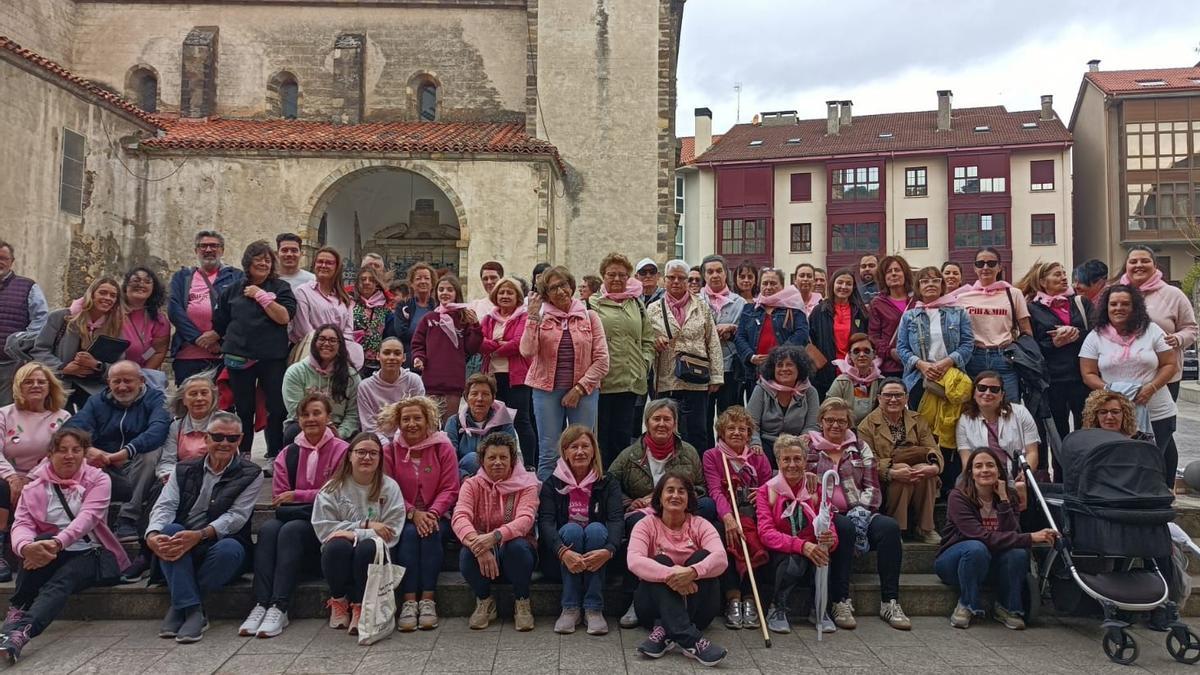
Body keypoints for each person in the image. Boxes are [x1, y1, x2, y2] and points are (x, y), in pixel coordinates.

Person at [0, 427, 129, 662]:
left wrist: (57, 543)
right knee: (34, 545)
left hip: (92, 553)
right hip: (51, 551)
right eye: (62, 450)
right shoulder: (34, 487)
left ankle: (21, 632)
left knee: (61, 579)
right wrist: (25, 547)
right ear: (49, 454)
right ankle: (17, 609)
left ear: (84, 453)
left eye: (76, 450)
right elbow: (21, 524)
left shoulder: (99, 479)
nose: (69, 455)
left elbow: (87, 518)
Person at [144, 412, 263, 643]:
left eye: (232, 438)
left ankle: (181, 606)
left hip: (219, 541)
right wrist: (152, 534)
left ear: (240, 440)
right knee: (169, 531)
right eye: (218, 437)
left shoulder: (252, 473)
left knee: (230, 548)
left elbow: (236, 517)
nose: (224, 444)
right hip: (183, 540)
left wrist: (200, 535)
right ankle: (193, 610)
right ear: (206, 439)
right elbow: (165, 505)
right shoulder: (183, 469)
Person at [240, 393, 349, 639]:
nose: (311, 419)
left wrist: (297, 493)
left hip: (325, 522)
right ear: (298, 419)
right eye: (305, 414)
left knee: (290, 530)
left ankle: (280, 605)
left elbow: (336, 492)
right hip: (293, 515)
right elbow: (280, 496)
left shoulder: (342, 450)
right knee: (268, 530)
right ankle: (261, 603)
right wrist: (306, 495)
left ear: (328, 417)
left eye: (317, 413)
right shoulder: (288, 453)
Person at [608, 399, 714, 628]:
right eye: (656, 419)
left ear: (675, 423)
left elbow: (701, 487)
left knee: (707, 508)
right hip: (644, 515)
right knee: (638, 524)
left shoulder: (689, 452)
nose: (662, 424)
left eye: (667, 419)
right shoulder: (629, 455)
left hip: (679, 512)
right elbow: (609, 485)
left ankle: (692, 584)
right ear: (647, 422)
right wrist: (630, 501)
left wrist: (672, 500)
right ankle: (634, 599)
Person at [807, 397, 910, 630]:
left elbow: (873, 487)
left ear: (849, 424)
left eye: (842, 421)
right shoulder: (808, 447)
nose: (835, 425)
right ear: (821, 421)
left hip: (860, 511)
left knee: (889, 528)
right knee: (844, 527)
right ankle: (840, 600)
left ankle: (890, 601)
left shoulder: (861, 448)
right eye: (830, 420)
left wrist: (861, 512)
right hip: (824, 515)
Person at [936, 448, 1056, 630]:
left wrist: (1003, 499)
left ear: (999, 471)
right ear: (971, 473)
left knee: (1017, 552)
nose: (984, 470)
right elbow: (980, 536)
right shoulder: (958, 497)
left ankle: (1007, 607)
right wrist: (1030, 537)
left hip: (991, 561)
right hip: (955, 561)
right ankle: (966, 604)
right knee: (976, 547)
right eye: (978, 466)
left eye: (990, 465)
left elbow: (1011, 532)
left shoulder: (1009, 496)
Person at [1080, 283, 1179, 486]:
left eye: (1125, 304)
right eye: (1113, 304)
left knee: (1155, 462)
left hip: (1157, 411)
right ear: (1105, 308)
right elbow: (1088, 373)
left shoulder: (1151, 330)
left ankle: (1160, 506)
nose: (1118, 308)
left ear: (1135, 307)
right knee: (1124, 467)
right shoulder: (1095, 336)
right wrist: (1112, 394)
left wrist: (1151, 387)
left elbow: (1170, 364)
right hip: (1113, 415)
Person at [628, 472, 728, 667]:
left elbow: (721, 558)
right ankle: (692, 640)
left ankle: (665, 631)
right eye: (670, 490)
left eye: (681, 491)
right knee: (660, 561)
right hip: (652, 608)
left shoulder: (700, 525)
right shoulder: (645, 524)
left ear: (689, 498)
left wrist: (693, 572)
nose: (675, 496)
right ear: (659, 497)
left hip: (698, 608)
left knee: (703, 557)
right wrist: (672, 574)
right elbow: (634, 561)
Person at [378, 395, 460, 631]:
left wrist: (432, 513)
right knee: (410, 535)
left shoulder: (443, 446)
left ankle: (428, 600)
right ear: (398, 422)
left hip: (438, 515)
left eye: (417, 418)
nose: (411, 424)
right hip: (402, 514)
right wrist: (412, 512)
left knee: (430, 533)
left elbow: (450, 487)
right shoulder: (391, 451)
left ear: (428, 420)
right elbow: (388, 487)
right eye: (406, 419)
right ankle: (409, 601)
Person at [522, 265, 610, 480]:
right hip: (546, 390)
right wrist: (532, 318)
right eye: (553, 288)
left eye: (563, 285)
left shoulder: (590, 317)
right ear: (546, 294)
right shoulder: (540, 318)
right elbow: (527, 351)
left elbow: (602, 361)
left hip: (584, 391)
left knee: (583, 448)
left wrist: (579, 389)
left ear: (571, 285)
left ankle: (584, 499)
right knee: (549, 451)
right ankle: (546, 507)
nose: (560, 291)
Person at [312, 432, 405, 635]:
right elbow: (324, 528)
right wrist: (365, 525)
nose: (367, 458)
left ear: (380, 458)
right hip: (339, 551)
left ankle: (360, 604)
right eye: (361, 452)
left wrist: (354, 534)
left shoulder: (389, 487)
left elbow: (392, 530)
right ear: (349, 455)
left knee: (367, 547)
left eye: (373, 453)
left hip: (376, 552)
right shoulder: (332, 488)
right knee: (336, 546)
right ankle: (339, 599)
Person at [67, 361, 170, 541]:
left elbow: (158, 429)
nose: (122, 387)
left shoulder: (156, 399)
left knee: (151, 454)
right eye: (116, 381)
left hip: (135, 460)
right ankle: (82, 519)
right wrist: (90, 450)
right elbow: (73, 428)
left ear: (141, 381)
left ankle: (127, 517)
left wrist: (125, 452)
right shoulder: (96, 401)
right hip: (103, 462)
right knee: (76, 450)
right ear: (109, 383)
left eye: (128, 381)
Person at [213, 241, 297, 458]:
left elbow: (284, 317)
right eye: (258, 259)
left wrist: (260, 295)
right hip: (239, 357)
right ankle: (244, 453)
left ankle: (274, 454)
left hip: (272, 358)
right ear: (248, 262)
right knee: (243, 408)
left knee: (276, 408)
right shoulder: (232, 290)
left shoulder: (281, 288)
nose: (263, 263)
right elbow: (220, 321)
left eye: (268, 260)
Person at [539, 425, 623, 636]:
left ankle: (594, 608)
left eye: (585, 446)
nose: (580, 452)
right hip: (562, 556)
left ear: (594, 450)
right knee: (571, 530)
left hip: (599, 553)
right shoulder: (552, 483)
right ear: (565, 452)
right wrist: (562, 551)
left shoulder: (607, 482)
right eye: (573, 446)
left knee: (595, 529)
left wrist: (610, 550)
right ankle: (570, 607)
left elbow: (616, 519)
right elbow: (546, 523)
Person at [452, 432, 539, 631]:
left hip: (516, 554)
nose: (497, 462)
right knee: (467, 552)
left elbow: (525, 520)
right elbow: (460, 517)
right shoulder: (471, 484)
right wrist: (479, 546)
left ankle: (522, 601)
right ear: (482, 461)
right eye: (492, 457)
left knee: (516, 546)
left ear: (512, 460)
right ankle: (485, 601)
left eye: (503, 457)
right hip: (485, 556)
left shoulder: (527, 484)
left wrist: (495, 536)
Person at [756, 434, 837, 635]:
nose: (792, 465)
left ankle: (819, 608)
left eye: (797, 459)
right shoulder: (767, 491)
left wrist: (830, 538)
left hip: (811, 548)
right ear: (778, 462)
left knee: (824, 557)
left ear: (805, 460)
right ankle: (777, 607)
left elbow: (828, 520)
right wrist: (801, 546)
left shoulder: (815, 487)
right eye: (786, 459)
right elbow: (766, 533)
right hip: (781, 552)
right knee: (794, 561)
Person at [0, 364, 71, 582]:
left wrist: (29, 478)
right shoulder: (4, 414)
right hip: (6, 475)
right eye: (28, 382)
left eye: (41, 381)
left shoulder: (63, 417)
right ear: (18, 387)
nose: (36, 385)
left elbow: (58, 454)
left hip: (45, 475)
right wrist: (11, 477)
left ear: (50, 386)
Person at [702, 407, 772, 630]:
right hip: (728, 512)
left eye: (742, 429)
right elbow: (715, 490)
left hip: (754, 513)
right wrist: (728, 518)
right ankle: (733, 597)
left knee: (762, 535)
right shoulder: (712, 456)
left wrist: (760, 493)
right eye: (731, 428)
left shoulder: (758, 458)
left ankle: (751, 598)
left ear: (749, 434)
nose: (736, 433)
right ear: (721, 432)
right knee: (725, 534)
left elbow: (768, 487)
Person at [648, 260, 724, 452]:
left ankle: (697, 475)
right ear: (664, 280)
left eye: (681, 278)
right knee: (668, 431)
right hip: (667, 379)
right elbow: (646, 339)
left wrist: (716, 376)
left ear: (688, 281)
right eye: (671, 277)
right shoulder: (653, 309)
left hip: (697, 379)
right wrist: (655, 342)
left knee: (698, 431)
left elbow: (712, 341)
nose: (676, 281)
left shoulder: (702, 306)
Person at [856, 378, 942, 544]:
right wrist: (892, 472)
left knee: (926, 471)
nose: (893, 400)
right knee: (902, 473)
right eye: (888, 395)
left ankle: (925, 528)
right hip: (885, 479)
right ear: (879, 398)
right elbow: (869, 459)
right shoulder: (866, 425)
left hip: (917, 473)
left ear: (906, 398)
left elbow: (933, 448)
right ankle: (897, 529)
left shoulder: (918, 420)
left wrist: (935, 467)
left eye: (898, 395)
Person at [589, 253, 655, 466]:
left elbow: (647, 338)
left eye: (622, 275)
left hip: (630, 382)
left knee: (623, 437)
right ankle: (602, 484)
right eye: (611, 275)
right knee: (601, 439)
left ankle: (619, 486)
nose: (617, 279)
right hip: (602, 382)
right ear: (603, 276)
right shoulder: (591, 304)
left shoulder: (636, 304)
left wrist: (644, 364)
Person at [1017, 261, 1091, 448]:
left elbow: (1097, 334)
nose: (1064, 277)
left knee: (1086, 431)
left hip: (1082, 378)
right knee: (1059, 434)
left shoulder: (1080, 302)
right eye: (1057, 274)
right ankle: (1061, 475)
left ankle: (1084, 474)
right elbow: (1030, 346)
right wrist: (1053, 343)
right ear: (1043, 282)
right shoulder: (1031, 309)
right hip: (1052, 381)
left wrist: (1075, 334)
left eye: (1064, 273)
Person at [32, 276, 123, 409]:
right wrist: (63, 367)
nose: (108, 298)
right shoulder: (61, 318)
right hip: (59, 388)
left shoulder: (115, 327)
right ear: (91, 294)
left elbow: (119, 366)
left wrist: (97, 366)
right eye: (103, 293)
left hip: (93, 395)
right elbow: (39, 350)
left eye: (113, 295)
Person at [1121, 245, 1197, 402]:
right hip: (1124, 375)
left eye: (1145, 261)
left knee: (1161, 424)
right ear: (1126, 266)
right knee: (1126, 425)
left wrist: (1178, 338)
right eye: (1133, 261)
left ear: (1155, 265)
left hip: (1165, 375)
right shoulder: (1116, 294)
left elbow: (1191, 329)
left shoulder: (1173, 294)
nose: (1139, 265)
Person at [955, 247, 1031, 401]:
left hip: (1004, 357)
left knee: (1009, 408)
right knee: (972, 409)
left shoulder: (1013, 293)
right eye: (980, 263)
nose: (985, 267)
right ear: (974, 268)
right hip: (973, 356)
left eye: (991, 263)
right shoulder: (962, 297)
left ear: (999, 267)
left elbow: (1026, 331)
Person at [167, 231, 243, 385]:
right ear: (196, 251)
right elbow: (175, 311)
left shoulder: (236, 277)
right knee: (187, 402)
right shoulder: (182, 277)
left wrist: (217, 335)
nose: (208, 250)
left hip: (223, 355)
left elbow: (239, 311)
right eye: (203, 246)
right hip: (187, 356)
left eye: (214, 246)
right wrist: (198, 339)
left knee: (223, 404)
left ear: (222, 250)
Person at [955, 371, 1039, 505]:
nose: (987, 393)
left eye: (994, 389)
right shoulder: (965, 420)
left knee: (1021, 488)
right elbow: (967, 461)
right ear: (974, 393)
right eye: (982, 388)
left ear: (1002, 395)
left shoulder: (1020, 413)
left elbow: (1032, 452)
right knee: (961, 487)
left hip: (1014, 471)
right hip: (982, 471)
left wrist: (1025, 473)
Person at [896, 265, 974, 409]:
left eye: (935, 280)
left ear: (942, 285)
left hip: (951, 376)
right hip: (919, 378)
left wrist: (947, 362)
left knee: (949, 424)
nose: (930, 284)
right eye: (925, 281)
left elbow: (968, 344)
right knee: (920, 424)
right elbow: (901, 348)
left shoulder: (958, 312)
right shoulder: (909, 316)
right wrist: (922, 365)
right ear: (918, 287)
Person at [411, 274, 482, 422]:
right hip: (431, 380)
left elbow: (472, 347)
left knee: (449, 423)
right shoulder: (429, 318)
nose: (445, 293)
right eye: (441, 289)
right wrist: (419, 358)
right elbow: (418, 343)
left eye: (450, 289)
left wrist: (475, 326)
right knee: (431, 423)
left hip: (453, 381)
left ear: (457, 293)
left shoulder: (464, 318)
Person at [480, 277, 535, 459]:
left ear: (517, 297)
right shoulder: (488, 319)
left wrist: (495, 348)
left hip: (517, 378)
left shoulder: (523, 317)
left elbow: (519, 343)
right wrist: (501, 346)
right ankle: (497, 459)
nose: (505, 296)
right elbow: (480, 342)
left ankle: (529, 463)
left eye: (509, 292)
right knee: (494, 422)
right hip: (493, 378)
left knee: (521, 421)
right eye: (502, 292)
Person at [734, 269, 810, 401]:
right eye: (765, 283)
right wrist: (751, 356)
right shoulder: (749, 309)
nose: (768, 287)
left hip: (785, 370)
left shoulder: (794, 309)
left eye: (773, 283)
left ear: (782, 286)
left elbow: (801, 333)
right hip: (755, 372)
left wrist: (778, 356)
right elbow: (739, 337)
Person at [282, 323, 361, 442]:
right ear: (314, 342)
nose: (327, 344)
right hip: (306, 425)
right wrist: (323, 432)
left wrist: (338, 435)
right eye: (322, 339)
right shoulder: (296, 372)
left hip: (339, 430)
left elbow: (353, 414)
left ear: (340, 345)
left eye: (333, 340)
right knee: (292, 432)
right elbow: (296, 411)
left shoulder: (351, 376)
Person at [700, 255, 748, 450]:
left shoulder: (740, 302)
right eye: (710, 271)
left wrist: (733, 328)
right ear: (704, 275)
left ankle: (728, 456)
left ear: (725, 273)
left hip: (730, 368)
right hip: (703, 368)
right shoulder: (696, 300)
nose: (715, 275)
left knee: (728, 419)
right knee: (703, 419)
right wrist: (717, 330)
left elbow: (744, 332)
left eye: (718, 271)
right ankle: (708, 457)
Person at [290, 246, 363, 368]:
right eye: (320, 261)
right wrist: (325, 349)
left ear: (337, 267)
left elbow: (348, 332)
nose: (323, 265)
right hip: (309, 355)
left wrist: (335, 352)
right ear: (314, 265)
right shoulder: (303, 292)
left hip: (338, 357)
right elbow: (303, 329)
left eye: (329, 263)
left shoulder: (344, 298)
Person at [747, 344, 819, 465]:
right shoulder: (760, 389)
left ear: (799, 368)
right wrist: (755, 443)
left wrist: (804, 439)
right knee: (755, 456)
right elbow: (751, 423)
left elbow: (812, 426)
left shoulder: (810, 392)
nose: (784, 369)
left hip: (797, 445)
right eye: (779, 365)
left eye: (789, 364)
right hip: (766, 444)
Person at [0, 240, 49, 407]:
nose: (0, 262)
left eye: (3, 258)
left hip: (10, 364)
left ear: (11, 261)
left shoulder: (28, 286)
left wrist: (22, 343)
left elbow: (41, 319)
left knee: (5, 410)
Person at [807, 267, 869, 397]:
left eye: (848, 284)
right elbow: (810, 340)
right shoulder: (819, 311)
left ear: (853, 287)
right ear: (832, 284)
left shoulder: (860, 312)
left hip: (855, 370)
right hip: (826, 371)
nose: (843, 287)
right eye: (840, 282)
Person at [445, 373, 518, 476]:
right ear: (466, 398)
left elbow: (511, 457)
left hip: (497, 476)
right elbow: (448, 461)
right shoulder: (454, 422)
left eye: (485, 394)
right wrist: (463, 477)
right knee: (473, 459)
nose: (480, 399)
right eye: (474, 394)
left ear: (493, 398)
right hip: (465, 478)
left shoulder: (503, 422)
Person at [157, 372, 220, 483]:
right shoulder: (176, 426)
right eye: (193, 394)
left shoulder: (224, 422)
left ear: (213, 397)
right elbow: (167, 460)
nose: (199, 398)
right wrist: (171, 477)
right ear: (184, 400)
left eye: (204, 393)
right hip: (183, 479)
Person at [356, 337, 424, 438]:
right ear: (378, 356)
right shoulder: (365, 387)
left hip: (409, 438)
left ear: (404, 358)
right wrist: (387, 448)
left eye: (397, 353)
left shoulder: (414, 381)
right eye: (386, 353)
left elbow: (419, 418)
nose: (392, 357)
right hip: (377, 442)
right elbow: (369, 427)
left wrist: (400, 444)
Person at [867, 255, 915, 378]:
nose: (893, 274)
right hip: (891, 367)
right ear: (883, 277)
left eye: (897, 270)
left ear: (905, 274)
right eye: (889, 271)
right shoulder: (877, 303)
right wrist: (890, 352)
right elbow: (874, 336)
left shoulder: (917, 301)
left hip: (918, 365)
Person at [118, 267, 170, 378]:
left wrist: (140, 377)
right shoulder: (110, 310)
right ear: (125, 286)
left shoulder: (159, 320)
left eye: (147, 282)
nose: (141, 284)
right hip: (106, 373)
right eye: (136, 280)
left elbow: (158, 352)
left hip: (140, 377)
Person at [826, 333, 884, 424]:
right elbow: (828, 410)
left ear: (874, 354)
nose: (862, 355)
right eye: (856, 351)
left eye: (867, 351)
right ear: (850, 355)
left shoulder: (882, 382)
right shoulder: (841, 382)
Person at [384, 262, 437, 356]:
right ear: (412, 284)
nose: (423, 281)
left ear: (432, 283)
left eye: (427, 278)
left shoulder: (438, 307)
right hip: (409, 356)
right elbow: (401, 333)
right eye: (418, 278)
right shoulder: (403, 306)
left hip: (433, 356)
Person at [351, 264, 391, 378]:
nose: (367, 282)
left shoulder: (384, 307)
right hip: (353, 360)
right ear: (358, 283)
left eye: (371, 280)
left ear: (376, 284)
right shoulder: (349, 303)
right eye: (363, 279)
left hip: (375, 363)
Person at [1079, 389, 1152, 440]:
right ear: (1095, 415)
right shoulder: (1086, 442)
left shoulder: (1140, 440)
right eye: (1103, 412)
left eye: (1115, 412)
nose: (1109, 417)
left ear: (1125, 414)